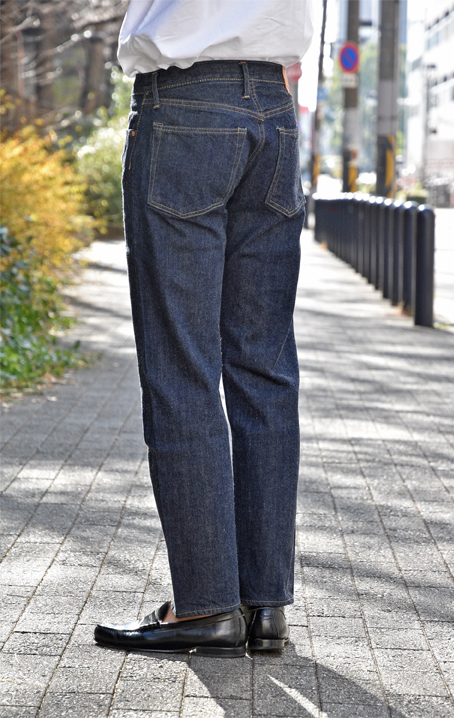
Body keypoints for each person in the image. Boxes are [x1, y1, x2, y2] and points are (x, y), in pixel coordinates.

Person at [94, 0, 315, 657]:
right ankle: (263, 605)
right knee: (264, 370)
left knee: (181, 368)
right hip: (274, 110)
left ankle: (206, 607)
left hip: (185, 102)